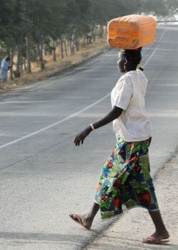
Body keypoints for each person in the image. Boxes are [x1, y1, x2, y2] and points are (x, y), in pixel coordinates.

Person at [69, 48, 170, 244]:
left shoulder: (127, 80)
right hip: (131, 138)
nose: (117, 62)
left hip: (134, 141)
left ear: (125, 61)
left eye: (119, 58)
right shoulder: (139, 75)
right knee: (108, 174)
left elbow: (117, 111)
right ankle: (89, 217)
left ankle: (161, 230)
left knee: (142, 184)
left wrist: (89, 128)